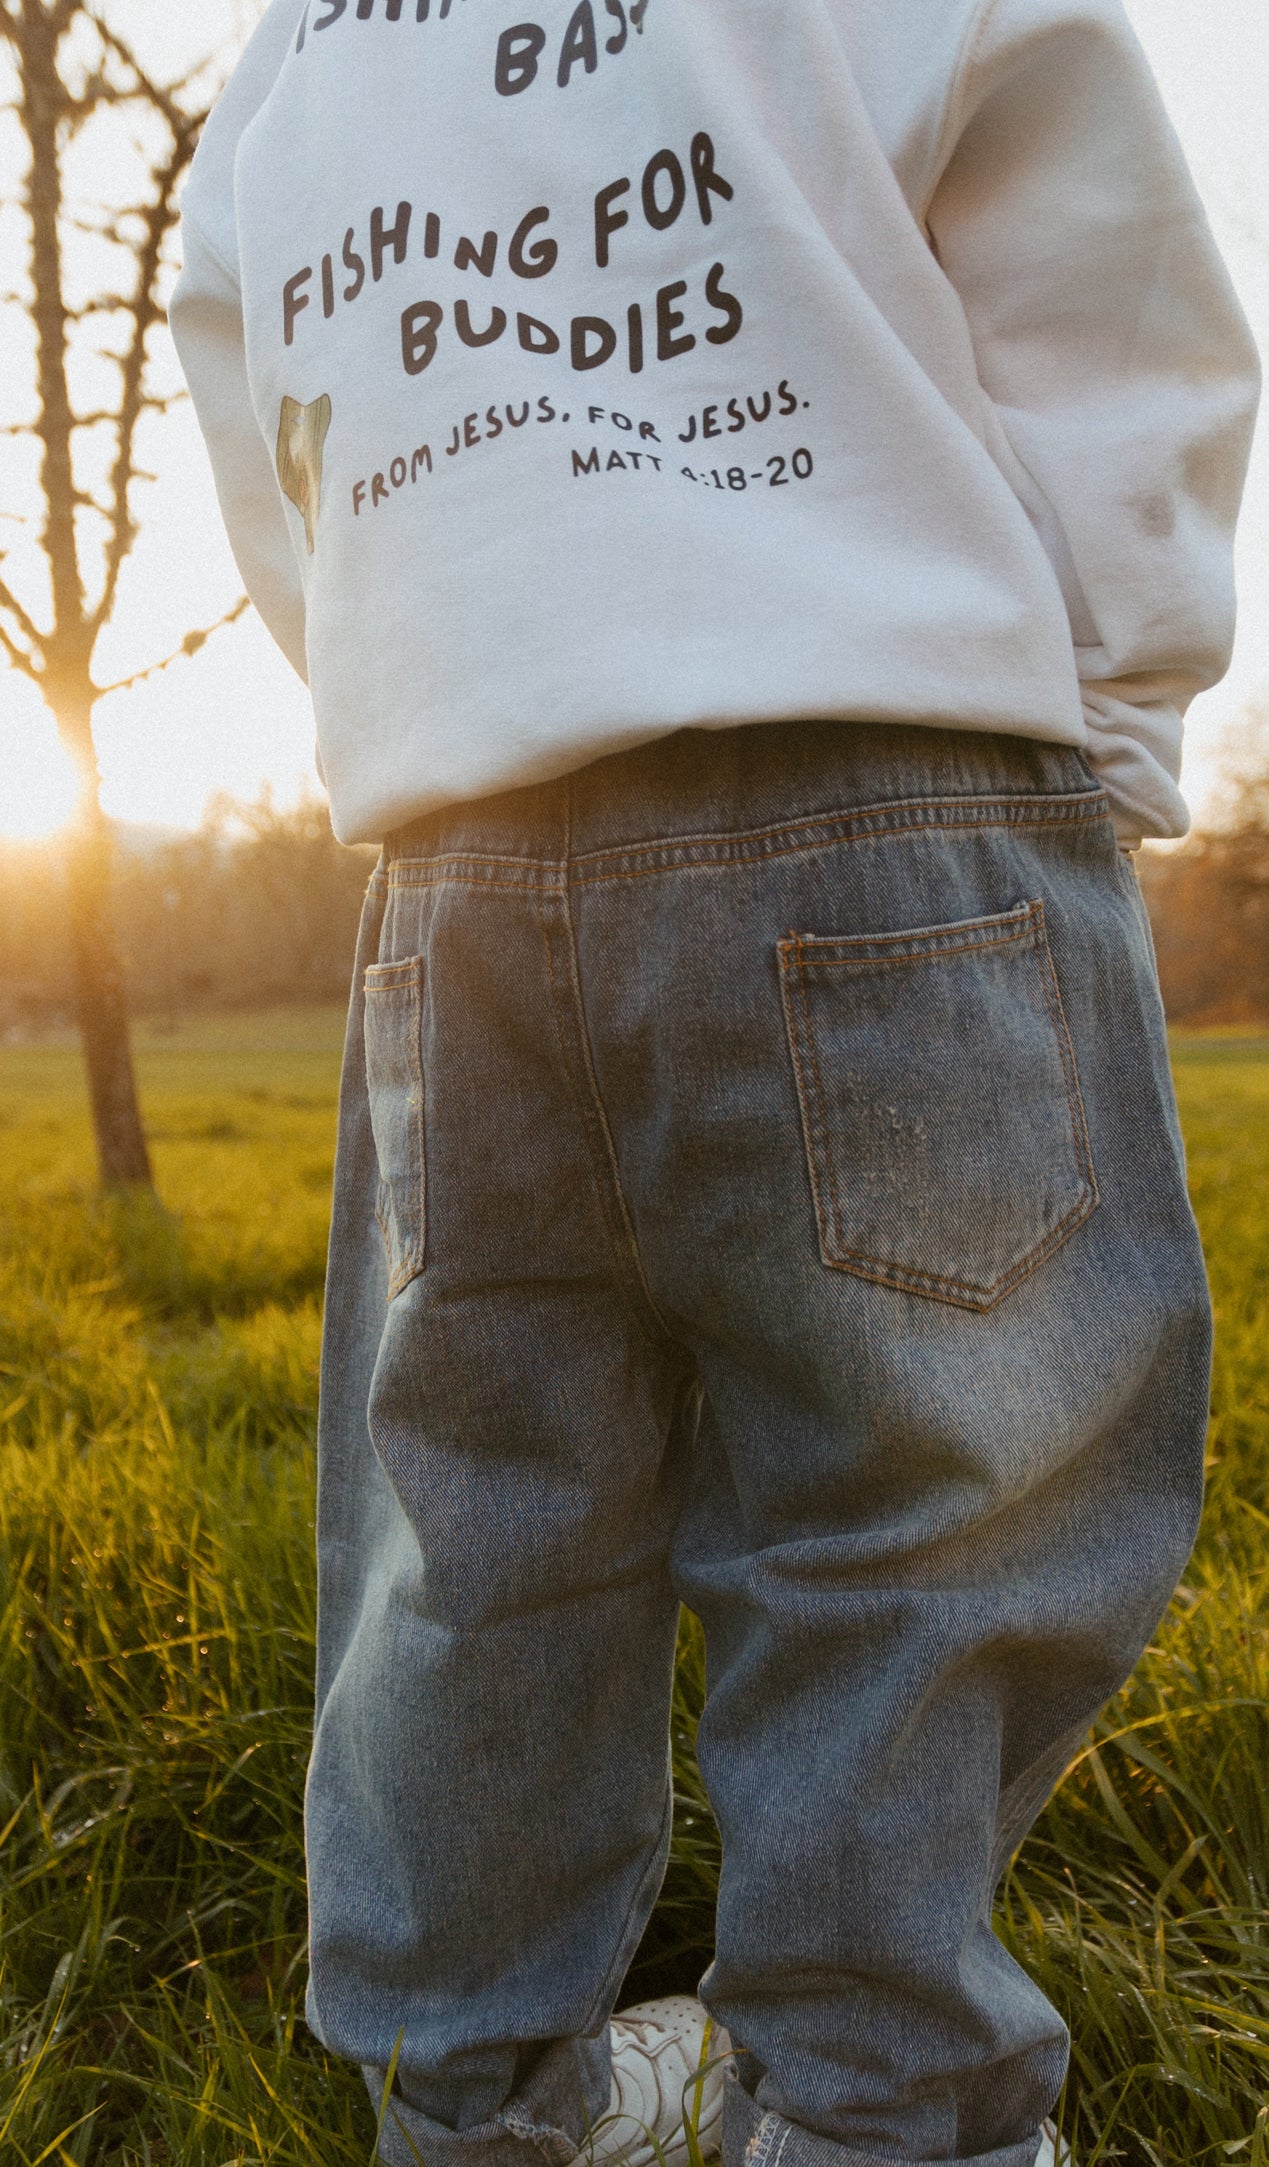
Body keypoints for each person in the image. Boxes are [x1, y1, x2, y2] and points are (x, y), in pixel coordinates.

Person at [170, 1, 1259, 2161]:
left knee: (476, 1525)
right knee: (934, 1514)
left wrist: (451, 674)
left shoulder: (295, 52)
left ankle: (475, 2108)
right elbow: (1099, 297)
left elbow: (268, 419)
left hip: (462, 849)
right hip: (891, 774)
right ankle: (882, 2109)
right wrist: (1111, 717)